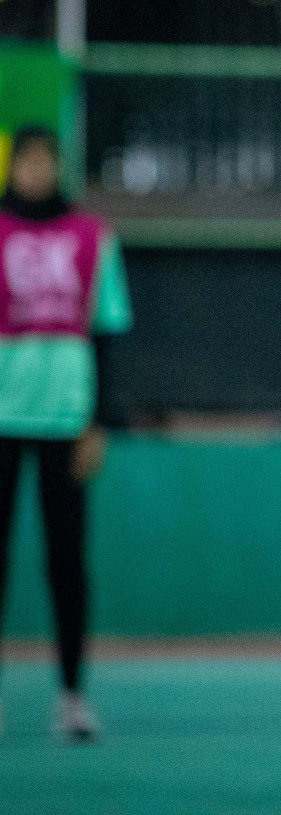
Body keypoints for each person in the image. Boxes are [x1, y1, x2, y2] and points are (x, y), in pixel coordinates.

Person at [0, 125, 132, 742]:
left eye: (45, 161)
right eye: (25, 162)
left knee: (67, 563)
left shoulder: (91, 237)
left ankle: (73, 696)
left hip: (66, 417)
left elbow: (108, 335)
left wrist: (98, 421)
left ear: (58, 166)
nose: (35, 171)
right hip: (2, 416)